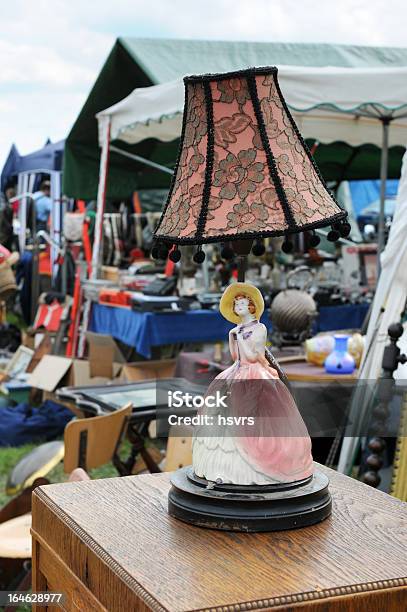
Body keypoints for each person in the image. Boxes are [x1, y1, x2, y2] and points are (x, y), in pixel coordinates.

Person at [192, 282, 314, 485]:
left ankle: (261, 459)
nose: (237, 308)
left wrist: (240, 338)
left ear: (250, 307)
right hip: (238, 370)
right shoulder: (238, 330)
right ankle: (223, 464)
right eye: (235, 306)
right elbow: (235, 356)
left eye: (241, 304)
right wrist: (233, 338)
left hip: (254, 373)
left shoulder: (260, 329)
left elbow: (254, 355)